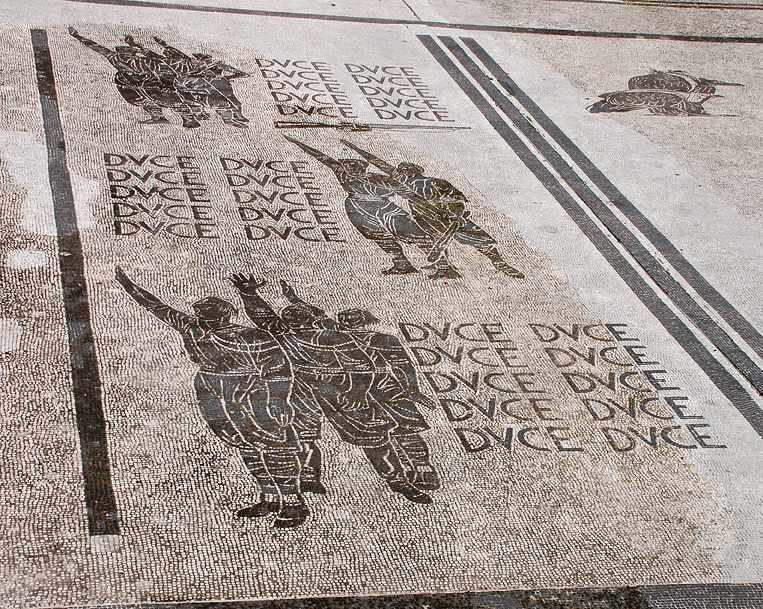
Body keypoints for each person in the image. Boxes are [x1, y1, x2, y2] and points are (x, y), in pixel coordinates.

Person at [114, 267, 308, 528]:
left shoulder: (252, 336)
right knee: (243, 442)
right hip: (213, 391)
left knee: (274, 442)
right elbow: (156, 306)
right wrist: (129, 286)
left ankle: (293, 503)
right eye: (202, 314)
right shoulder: (192, 328)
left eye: (210, 315)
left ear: (227, 316)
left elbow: (278, 368)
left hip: (251, 389)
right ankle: (269, 497)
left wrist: (278, 399)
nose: (205, 319)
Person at [231, 274, 434, 504]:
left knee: (372, 436)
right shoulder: (291, 334)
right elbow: (264, 317)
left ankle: (399, 480)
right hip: (305, 390)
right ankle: (309, 476)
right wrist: (249, 294)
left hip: (340, 391)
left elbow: (362, 367)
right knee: (302, 432)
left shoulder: (328, 337)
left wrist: (357, 394)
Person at [341, 140, 525, 278]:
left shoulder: (434, 182)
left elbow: (457, 197)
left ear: (415, 171)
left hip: (449, 217)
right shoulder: (404, 183)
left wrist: (456, 214)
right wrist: (356, 149)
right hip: (425, 219)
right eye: (402, 171)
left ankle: (500, 263)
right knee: (435, 243)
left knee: (478, 240)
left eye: (406, 171)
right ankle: (444, 268)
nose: (402, 173)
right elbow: (381, 165)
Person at [284, 136, 460, 279]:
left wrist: (435, 210)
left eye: (353, 167)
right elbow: (321, 157)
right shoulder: (342, 173)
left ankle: (444, 266)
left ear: (362, 168)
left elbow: (406, 192)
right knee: (378, 236)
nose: (349, 170)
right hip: (356, 207)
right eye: (347, 167)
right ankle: (402, 263)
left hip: (382, 206)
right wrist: (298, 143)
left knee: (412, 231)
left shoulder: (378, 178)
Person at [336, 309, 440, 491]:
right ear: (365, 322)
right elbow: (403, 366)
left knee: (373, 434)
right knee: (405, 428)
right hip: (385, 387)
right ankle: (423, 469)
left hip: (353, 391)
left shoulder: (333, 340)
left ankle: (396, 473)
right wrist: (412, 391)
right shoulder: (383, 339)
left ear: (341, 323)